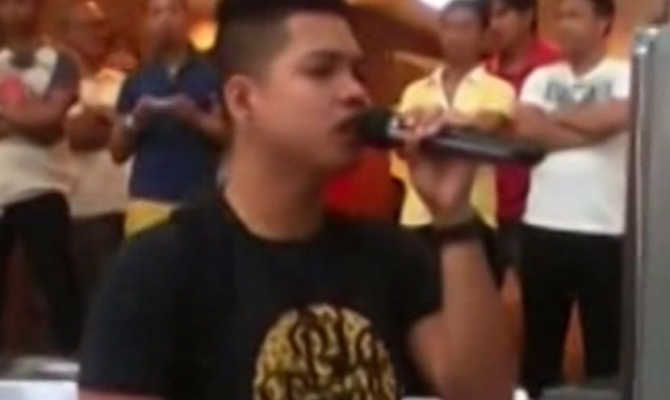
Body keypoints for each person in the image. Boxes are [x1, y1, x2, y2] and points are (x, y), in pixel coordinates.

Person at [78, 0, 515, 399]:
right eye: (322, 71)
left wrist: (454, 215)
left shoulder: (391, 257)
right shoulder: (158, 270)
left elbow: (484, 393)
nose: (356, 93)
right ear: (243, 99)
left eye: (357, 74)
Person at [513, 0, 629, 396]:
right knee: (539, 349)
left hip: (605, 230)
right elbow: (527, 130)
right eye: (560, 16)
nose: (564, 25)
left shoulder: (625, 74)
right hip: (542, 227)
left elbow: (615, 117)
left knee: (605, 353)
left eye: (575, 15)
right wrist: (589, 126)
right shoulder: (540, 77)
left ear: (603, 23)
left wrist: (554, 117)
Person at [393, 0, 516, 286]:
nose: (454, 36)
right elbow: (401, 146)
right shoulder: (415, 91)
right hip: (417, 217)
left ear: (484, 36)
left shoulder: (499, 89)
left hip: (475, 217)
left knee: (473, 306)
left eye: (464, 28)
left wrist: (439, 124)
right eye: (447, 27)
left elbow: (490, 123)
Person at [0, 0, 83, 354]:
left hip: (42, 186)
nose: (15, 10)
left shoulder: (63, 60)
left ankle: (75, 366)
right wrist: (27, 115)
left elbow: (50, 121)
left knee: (58, 289)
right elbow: (39, 120)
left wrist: (10, 115)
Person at [111, 0, 226, 237]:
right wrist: (135, 121)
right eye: (156, 13)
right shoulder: (136, 81)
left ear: (187, 19)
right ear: (147, 23)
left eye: (173, 11)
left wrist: (195, 118)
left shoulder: (214, 75)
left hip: (201, 201)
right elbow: (117, 152)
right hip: (147, 201)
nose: (165, 21)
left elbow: (233, 138)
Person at [486, 0, 560, 279]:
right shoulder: (482, 74)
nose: (493, 25)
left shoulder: (558, 68)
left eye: (502, 14)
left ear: (528, 15)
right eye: (489, 16)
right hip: (487, 208)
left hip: (542, 208)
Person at [61, 0, 128, 304]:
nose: (100, 33)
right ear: (67, 33)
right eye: (90, 26)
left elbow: (146, 130)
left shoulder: (122, 80)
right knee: (99, 303)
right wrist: (120, 124)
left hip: (130, 209)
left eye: (102, 26)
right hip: (87, 213)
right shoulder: (60, 83)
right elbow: (74, 134)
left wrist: (102, 118)